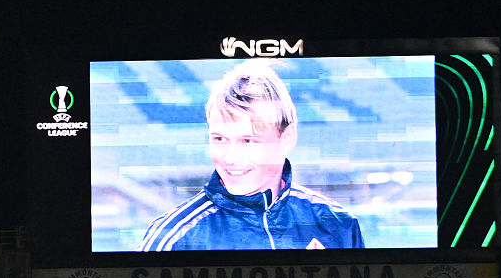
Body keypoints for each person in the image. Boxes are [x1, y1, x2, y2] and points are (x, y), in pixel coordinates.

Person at [140, 58, 363, 251]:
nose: (230, 157)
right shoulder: (173, 238)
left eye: (248, 140)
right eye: (219, 138)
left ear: (287, 137)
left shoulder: (338, 224)